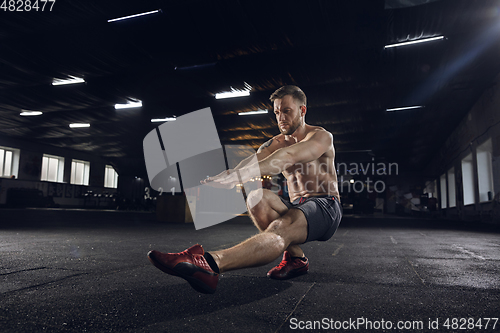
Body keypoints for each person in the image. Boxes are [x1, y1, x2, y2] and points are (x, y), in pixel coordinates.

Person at [148, 85, 342, 294]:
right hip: (296, 206)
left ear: (302, 110)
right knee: (255, 198)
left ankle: (211, 264)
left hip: (325, 206)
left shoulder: (321, 137)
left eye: (287, 111)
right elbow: (249, 163)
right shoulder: (275, 143)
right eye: (277, 112)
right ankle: (296, 259)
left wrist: (239, 176)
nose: (281, 118)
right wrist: (230, 175)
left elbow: (288, 157)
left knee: (280, 228)